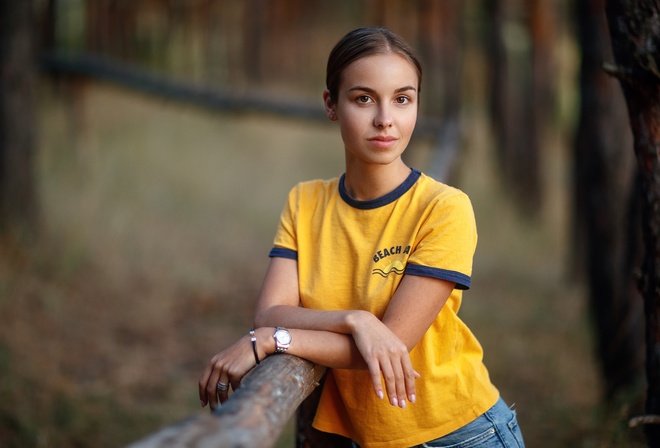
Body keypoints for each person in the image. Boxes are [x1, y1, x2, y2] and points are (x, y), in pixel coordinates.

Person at [199, 26, 525, 448]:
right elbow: (270, 311)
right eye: (364, 98)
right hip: (365, 438)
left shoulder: (444, 208)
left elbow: (391, 346)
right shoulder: (305, 202)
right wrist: (355, 319)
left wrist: (272, 341)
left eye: (402, 99)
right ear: (331, 105)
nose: (385, 118)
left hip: (460, 434)